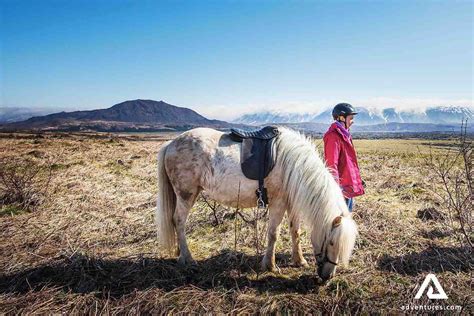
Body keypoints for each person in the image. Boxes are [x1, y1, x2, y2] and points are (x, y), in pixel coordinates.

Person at [323, 103, 365, 212]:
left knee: (347, 216)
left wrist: (356, 181)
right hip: (341, 189)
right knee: (341, 220)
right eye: (351, 118)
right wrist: (336, 189)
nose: (353, 121)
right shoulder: (333, 136)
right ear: (341, 118)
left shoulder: (344, 134)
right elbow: (331, 164)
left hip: (348, 185)